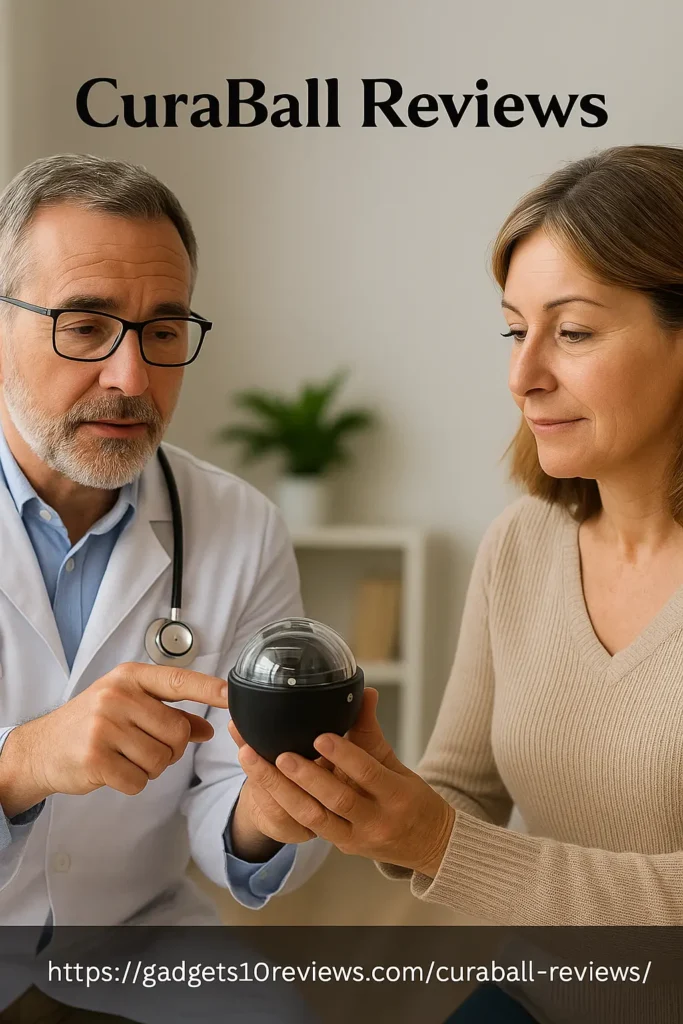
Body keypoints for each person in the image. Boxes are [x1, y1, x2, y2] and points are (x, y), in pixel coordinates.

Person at [232, 145, 683, 1020]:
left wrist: (437, 840)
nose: (523, 376)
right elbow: (462, 791)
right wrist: (369, 792)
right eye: (516, 330)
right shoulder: (520, 545)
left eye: (574, 331)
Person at [0, 154, 329, 1021]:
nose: (132, 379)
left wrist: (271, 804)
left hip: (132, 936)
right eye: (85, 325)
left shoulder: (238, 525)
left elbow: (228, 802)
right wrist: (23, 761)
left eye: (163, 330)